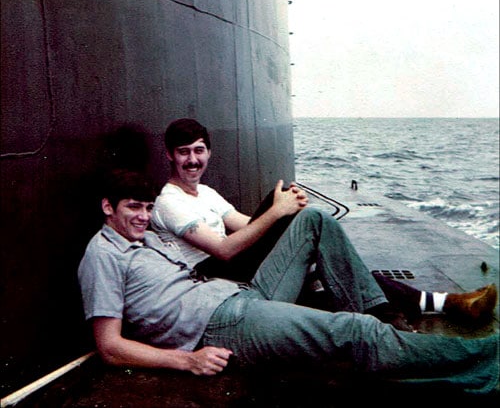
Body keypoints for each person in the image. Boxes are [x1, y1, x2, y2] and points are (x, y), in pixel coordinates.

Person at [78, 169, 498, 394]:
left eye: (148, 207)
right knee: (354, 331)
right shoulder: (102, 255)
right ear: (106, 207)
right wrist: (187, 360)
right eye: (133, 207)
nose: (143, 216)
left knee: (314, 218)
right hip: (221, 325)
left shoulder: (147, 236)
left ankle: (381, 317)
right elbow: (109, 346)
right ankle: (481, 359)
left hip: (239, 297)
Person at [150, 118, 498, 328]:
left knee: (349, 276)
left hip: (240, 268)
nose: (192, 160)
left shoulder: (207, 193)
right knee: (303, 216)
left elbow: (244, 226)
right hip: (217, 280)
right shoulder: (169, 201)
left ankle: (447, 303)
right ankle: (383, 316)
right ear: (169, 155)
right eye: (183, 152)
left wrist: (288, 209)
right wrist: (279, 211)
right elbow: (225, 251)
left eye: (198, 151)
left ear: (209, 152)